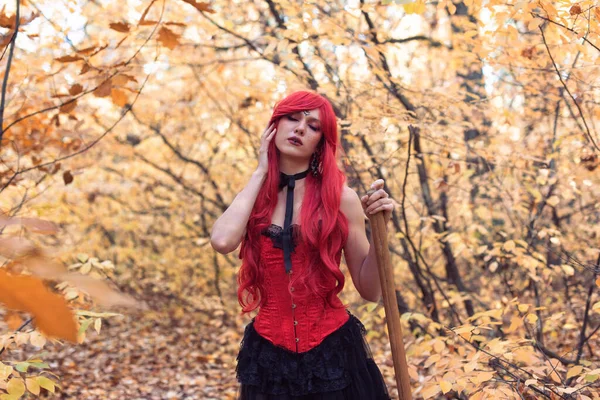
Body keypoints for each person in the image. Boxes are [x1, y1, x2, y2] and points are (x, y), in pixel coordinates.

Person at [210, 91, 394, 399]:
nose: (299, 129)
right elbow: (222, 240)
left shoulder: (341, 198)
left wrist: (380, 232)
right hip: (269, 360)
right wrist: (260, 170)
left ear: (322, 142)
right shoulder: (253, 198)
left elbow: (371, 290)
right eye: (292, 119)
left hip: (333, 356)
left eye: (312, 126)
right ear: (274, 127)